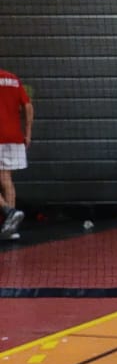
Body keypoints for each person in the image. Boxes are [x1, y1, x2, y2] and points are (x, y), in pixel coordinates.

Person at [0, 67, 33, 240]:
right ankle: (11, 228)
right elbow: (28, 106)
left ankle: (8, 210)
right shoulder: (13, 79)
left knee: (5, 178)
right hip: (14, 137)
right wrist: (28, 133)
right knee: (6, 179)